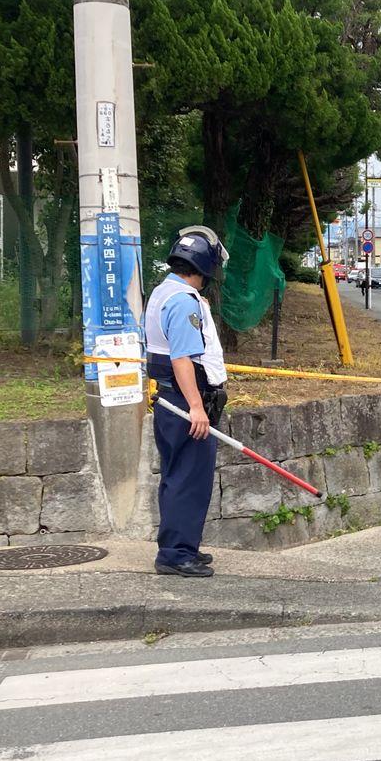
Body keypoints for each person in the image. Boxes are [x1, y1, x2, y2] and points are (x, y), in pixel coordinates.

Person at [144, 226, 230, 578]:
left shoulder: (166, 292)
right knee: (189, 478)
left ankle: (180, 545)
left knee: (176, 474)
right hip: (184, 402)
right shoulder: (182, 302)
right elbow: (182, 358)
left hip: (169, 399)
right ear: (204, 266)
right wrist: (196, 407)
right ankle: (176, 554)